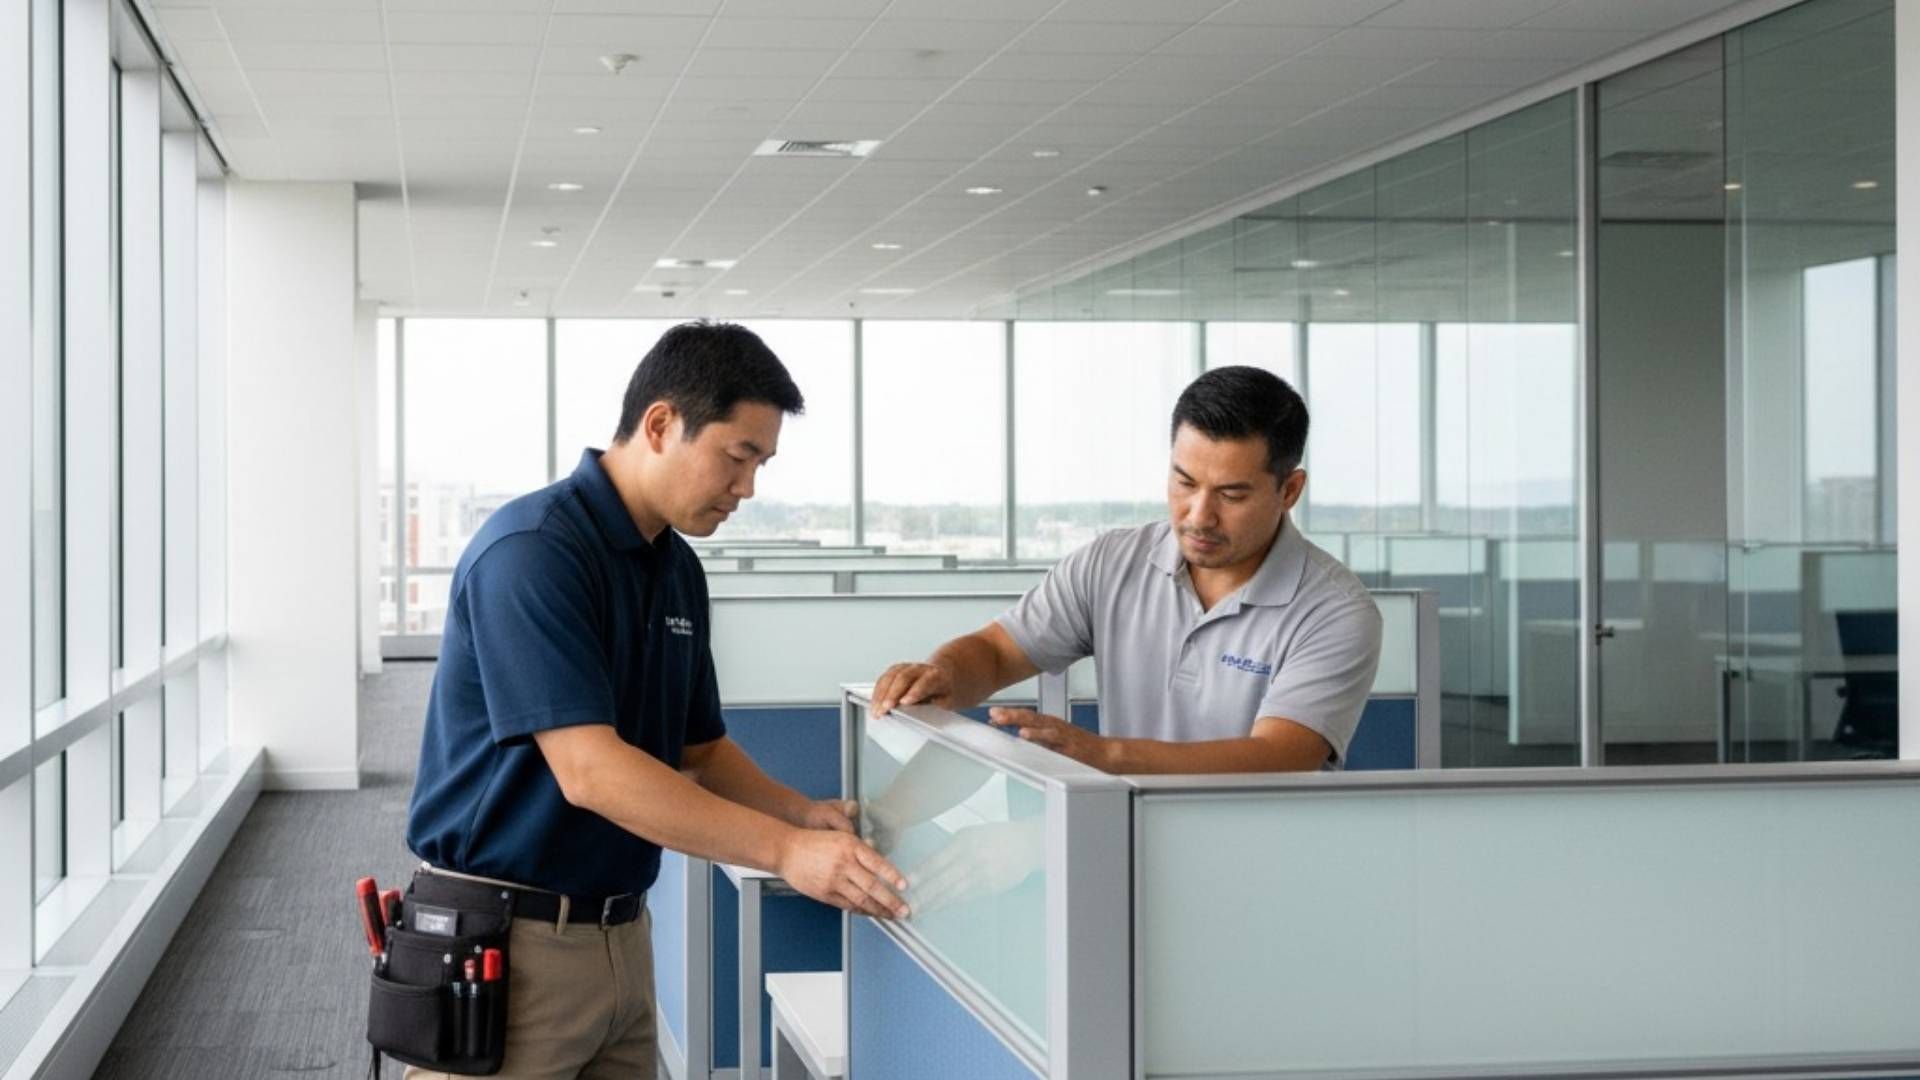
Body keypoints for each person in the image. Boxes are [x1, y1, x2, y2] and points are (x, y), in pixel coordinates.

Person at [403, 322, 907, 1080]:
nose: (748, 489)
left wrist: (799, 812)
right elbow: (591, 772)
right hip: (509, 940)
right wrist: (787, 852)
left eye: (761, 464)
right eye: (738, 458)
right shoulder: (533, 552)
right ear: (662, 424)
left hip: (623, 937)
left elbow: (698, 749)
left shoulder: (675, 569)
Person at [871, 364, 1382, 775]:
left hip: (1255, 860)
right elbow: (998, 651)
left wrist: (1105, 757)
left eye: (1231, 494)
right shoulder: (1111, 562)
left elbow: (1281, 757)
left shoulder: (1334, 610)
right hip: (1124, 850)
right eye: (1184, 482)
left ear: (1289, 490)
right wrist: (945, 674)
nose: (1198, 515)